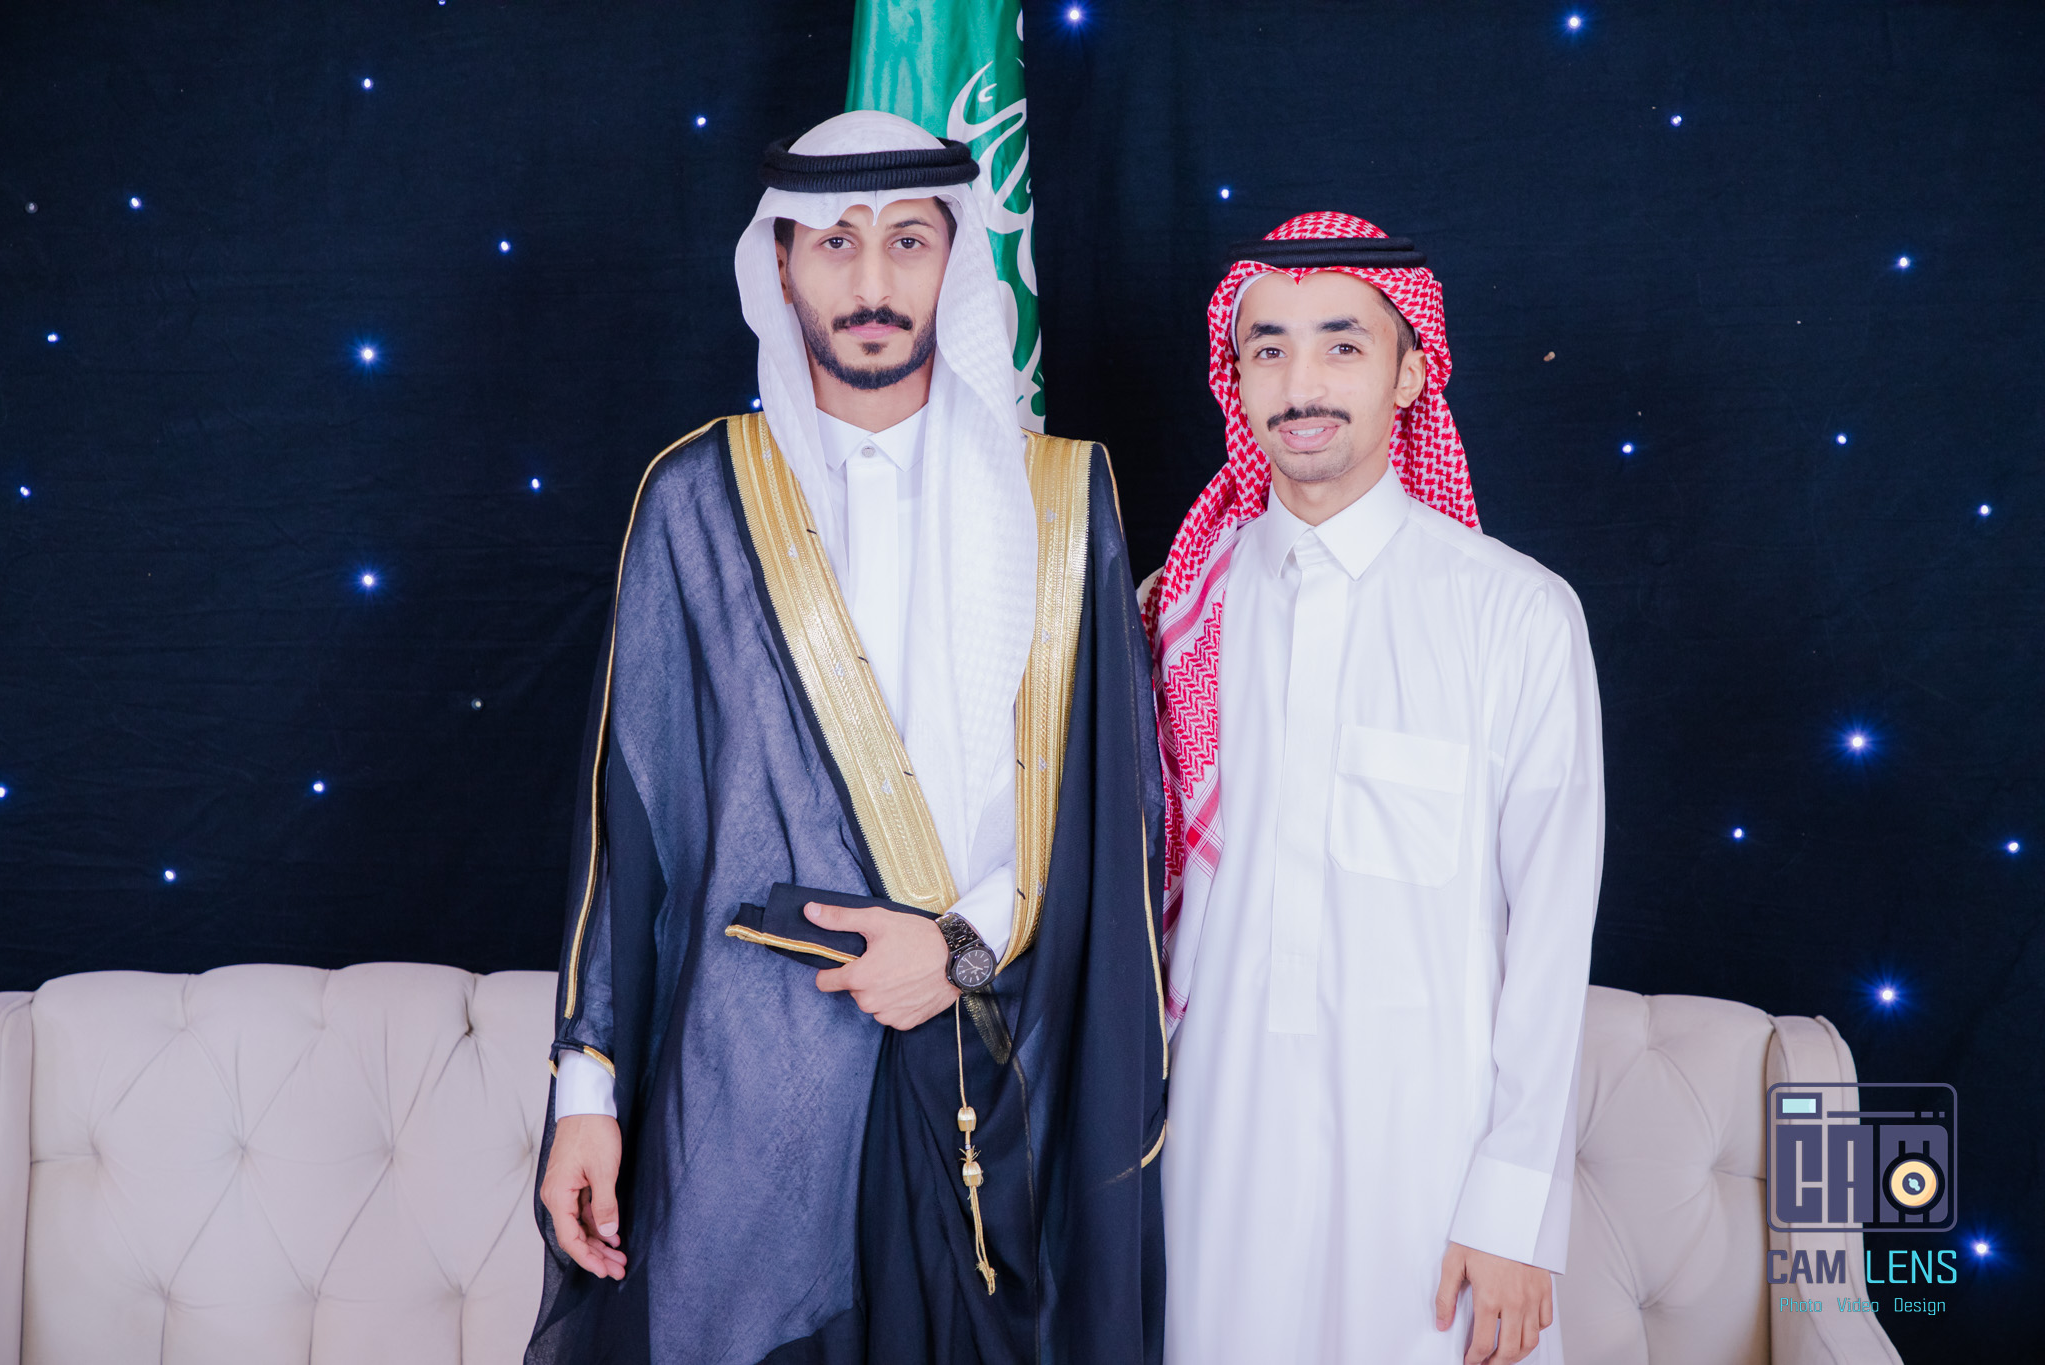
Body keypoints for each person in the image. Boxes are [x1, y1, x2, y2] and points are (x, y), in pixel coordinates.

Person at [526, 111, 1167, 1365]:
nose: (872, 282)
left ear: (954, 260)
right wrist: (585, 1092)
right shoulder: (695, 499)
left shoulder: (1060, 497)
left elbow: (1109, 809)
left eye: (907, 241)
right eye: (834, 242)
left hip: (990, 1062)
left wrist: (958, 950)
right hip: (750, 1085)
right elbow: (629, 831)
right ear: (779, 264)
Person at [1146, 212, 1603, 1365]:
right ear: (1235, 379)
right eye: (1267, 348)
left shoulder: (1513, 614)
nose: (1299, 383)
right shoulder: (1174, 612)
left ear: (1409, 373)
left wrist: (1512, 1210)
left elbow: (1551, 935)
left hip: (1432, 1161)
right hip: (1214, 1142)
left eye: (1341, 345)